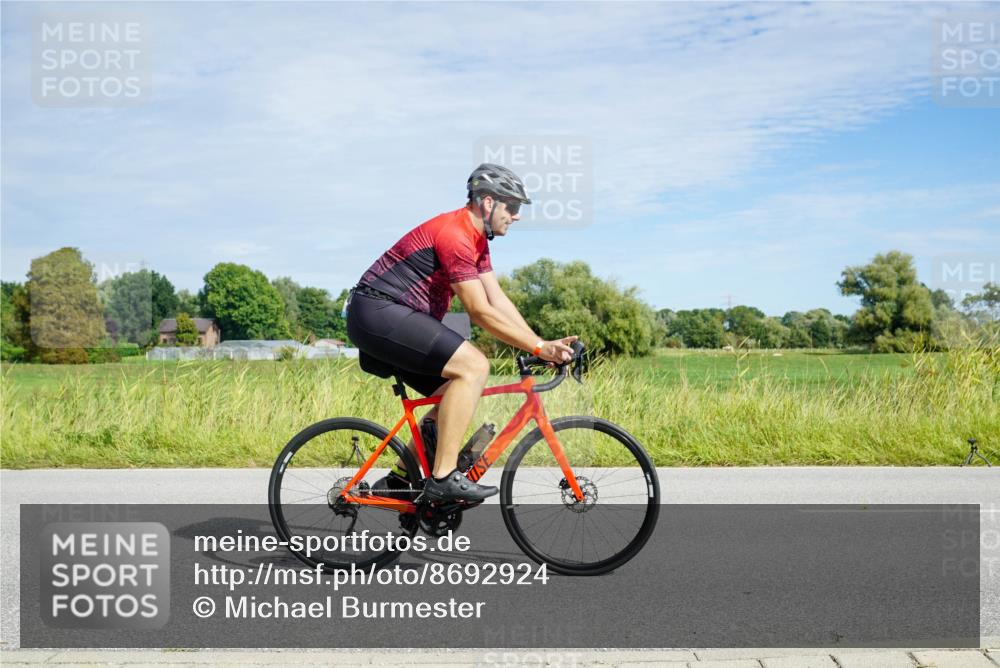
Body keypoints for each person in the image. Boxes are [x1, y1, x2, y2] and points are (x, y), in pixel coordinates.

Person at [346, 164, 577, 503]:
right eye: (511, 207)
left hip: (393, 316)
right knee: (474, 366)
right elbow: (479, 311)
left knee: (454, 396)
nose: (516, 216)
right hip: (377, 312)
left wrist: (540, 344)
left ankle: (400, 479)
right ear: (488, 202)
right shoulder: (455, 234)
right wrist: (540, 348)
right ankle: (442, 477)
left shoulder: (478, 242)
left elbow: (497, 300)